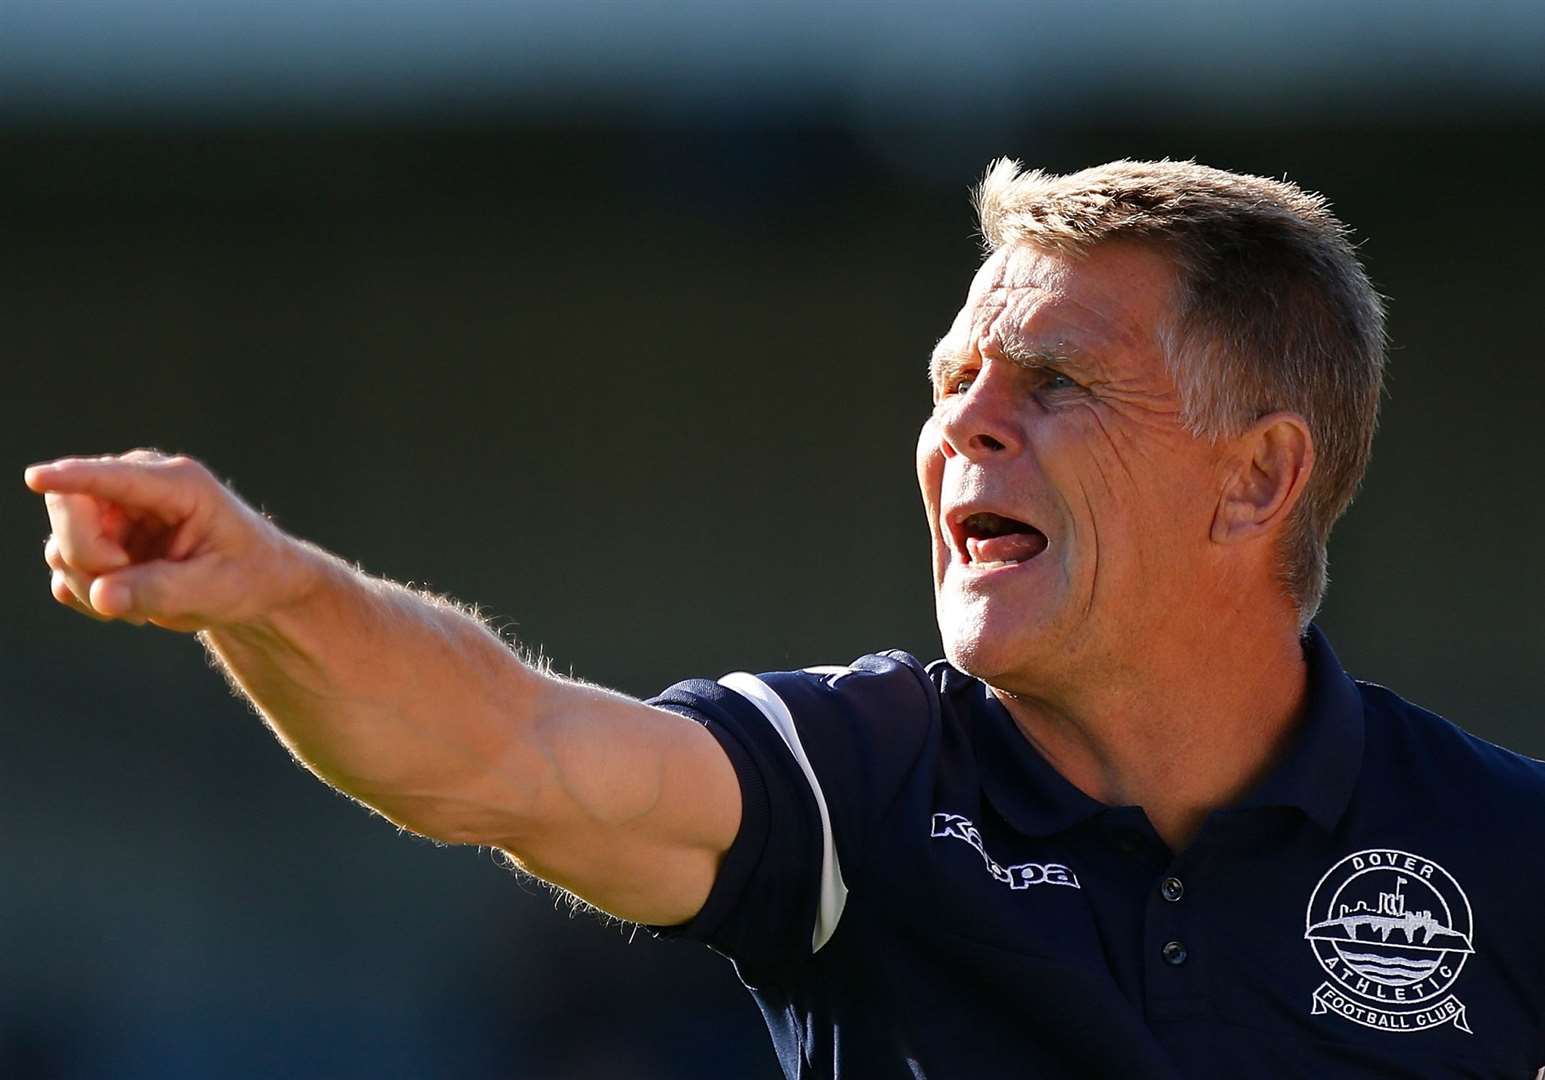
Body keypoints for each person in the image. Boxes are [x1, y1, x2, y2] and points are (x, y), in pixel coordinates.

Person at [26, 159, 1545, 1079]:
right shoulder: (865, 774)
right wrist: (278, 592)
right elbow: (505, 749)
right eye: (951, 384)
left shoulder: (1508, 851)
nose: (962, 433)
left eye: (1054, 386)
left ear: (1255, 479)